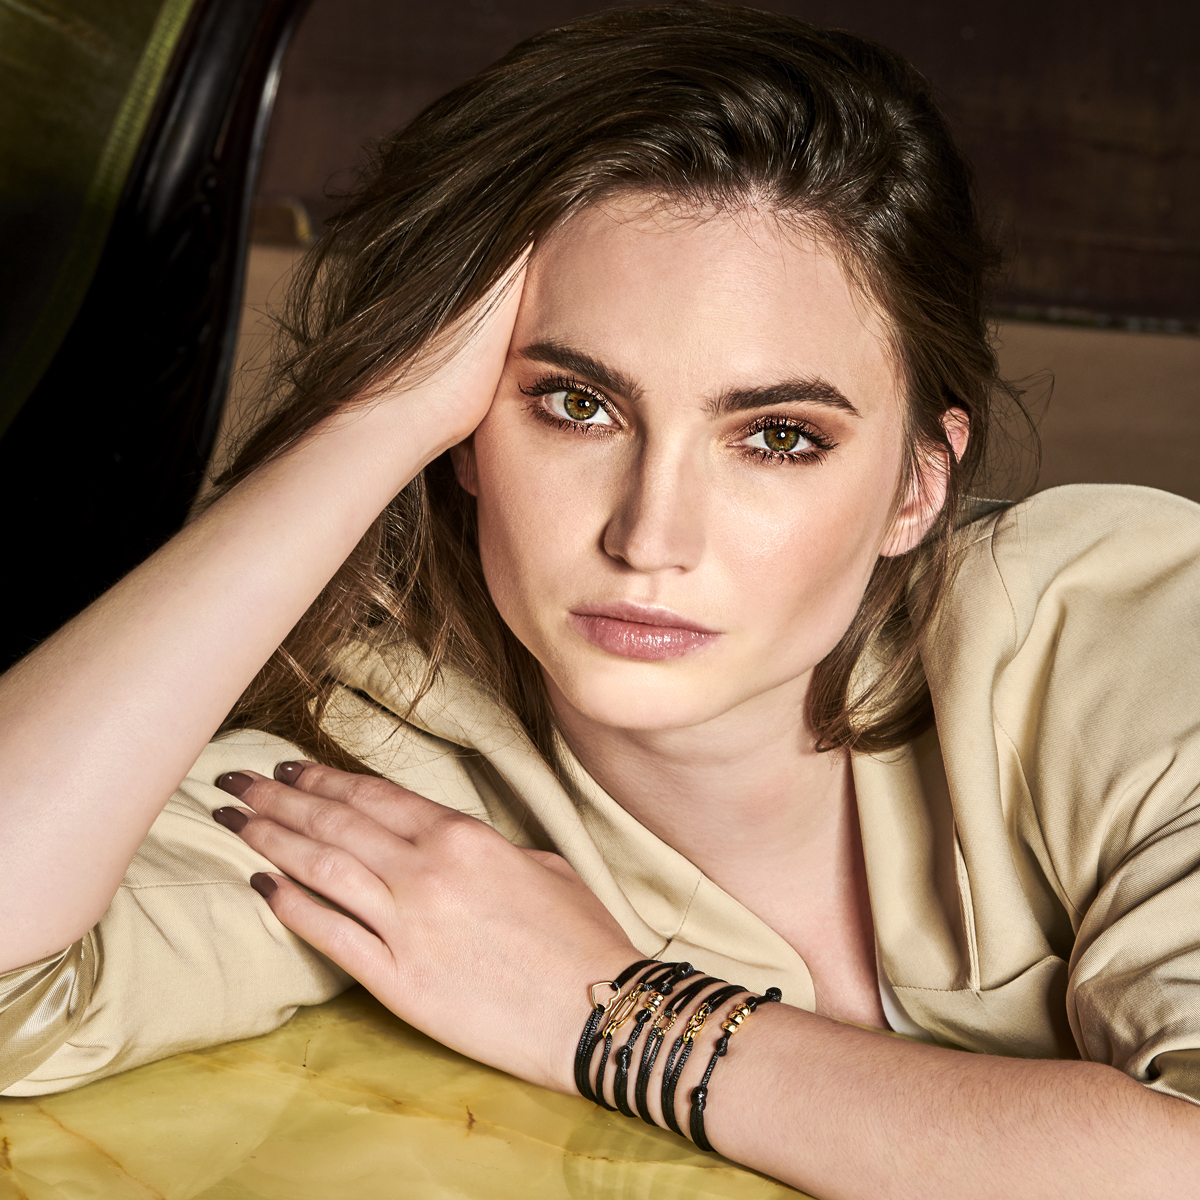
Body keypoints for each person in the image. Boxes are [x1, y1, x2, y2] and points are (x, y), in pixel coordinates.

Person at [2, 2, 1199, 1194]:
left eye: (778, 436)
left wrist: (609, 1013)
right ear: (470, 433)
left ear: (916, 486)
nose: (649, 536)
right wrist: (379, 416)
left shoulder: (1112, 620)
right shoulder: (395, 772)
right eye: (576, 406)